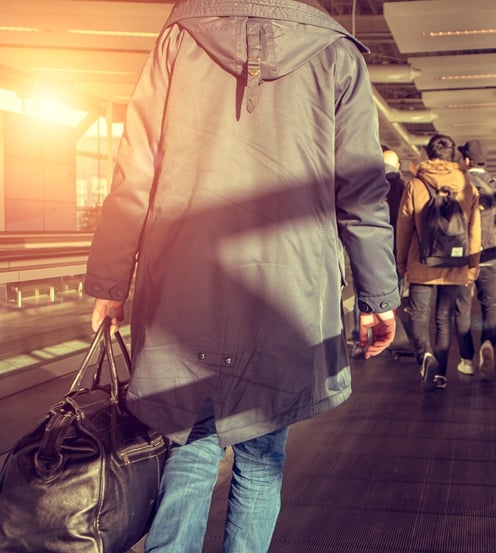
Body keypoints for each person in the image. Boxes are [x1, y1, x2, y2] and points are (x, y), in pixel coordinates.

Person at [83, 1, 399, 552]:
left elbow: (135, 169)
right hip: (289, 288)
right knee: (261, 450)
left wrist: (112, 282)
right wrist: (378, 297)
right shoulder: (336, 51)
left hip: (183, 279)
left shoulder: (181, 35)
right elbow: (363, 192)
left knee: (190, 442)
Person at [396, 133, 480, 392]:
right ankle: (440, 375)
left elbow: (404, 226)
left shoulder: (415, 185)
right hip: (454, 265)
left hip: (422, 263)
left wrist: (401, 263)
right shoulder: (467, 186)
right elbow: (473, 230)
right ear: (453, 156)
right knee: (443, 318)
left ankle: (425, 356)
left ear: (428, 155)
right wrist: (472, 267)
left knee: (418, 314)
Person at [454, 140, 496, 379]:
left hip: (463, 258)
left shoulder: (459, 185)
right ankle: (487, 344)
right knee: (490, 305)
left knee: (462, 309)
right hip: (491, 255)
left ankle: (467, 360)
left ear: (467, 161)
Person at [351, 144, 406, 357]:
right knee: (393, 290)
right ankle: (387, 321)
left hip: (367, 250)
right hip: (395, 249)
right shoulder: (404, 187)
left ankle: (358, 338)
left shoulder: (368, 184)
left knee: (362, 291)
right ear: (397, 165)